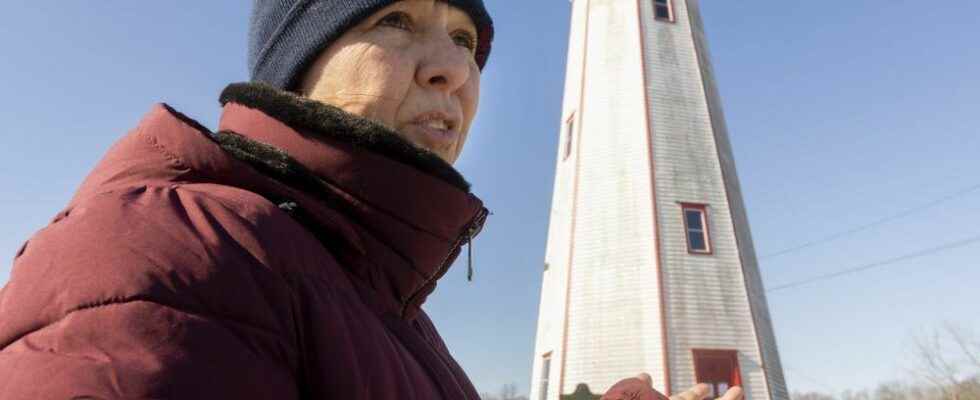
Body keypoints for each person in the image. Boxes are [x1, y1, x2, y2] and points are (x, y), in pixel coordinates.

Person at [0, 1, 742, 399]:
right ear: (300, 63)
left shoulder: (371, 294)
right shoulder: (165, 258)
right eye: (394, 20)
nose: (453, 66)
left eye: (463, 35)